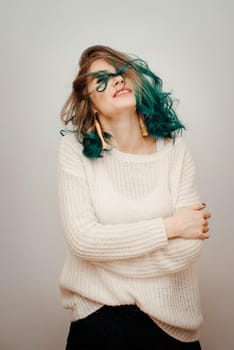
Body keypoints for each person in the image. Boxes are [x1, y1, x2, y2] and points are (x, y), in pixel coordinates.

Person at [57, 44, 212, 350]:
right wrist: (170, 228)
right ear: (89, 99)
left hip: (174, 326)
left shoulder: (174, 149)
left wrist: (101, 261)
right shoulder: (74, 151)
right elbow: (83, 241)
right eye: (101, 78)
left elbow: (188, 249)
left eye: (122, 72)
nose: (117, 79)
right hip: (98, 322)